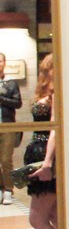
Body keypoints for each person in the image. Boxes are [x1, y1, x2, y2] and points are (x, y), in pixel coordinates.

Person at [26, 54, 59, 229]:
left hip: (47, 156)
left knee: (37, 218)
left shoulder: (58, 92)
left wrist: (48, 162)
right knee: (54, 217)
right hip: (39, 153)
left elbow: (54, 129)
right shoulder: (47, 90)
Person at [0, 52, 22, 205]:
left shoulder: (11, 83)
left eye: (0, 61)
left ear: (4, 63)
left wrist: (1, 98)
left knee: (6, 160)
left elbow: (18, 103)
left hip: (7, 125)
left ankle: (8, 189)